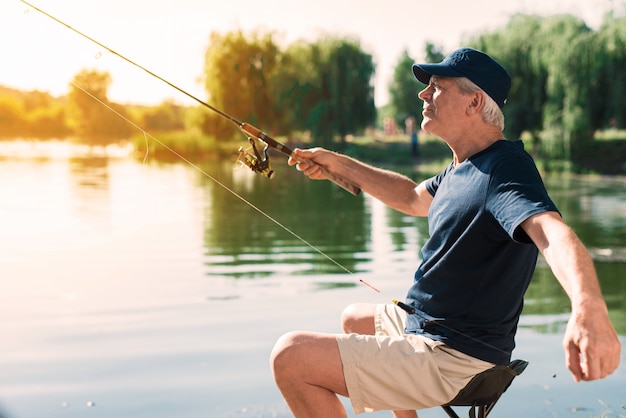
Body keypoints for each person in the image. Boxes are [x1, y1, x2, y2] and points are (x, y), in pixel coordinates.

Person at [270, 47, 621, 418]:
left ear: (474, 103)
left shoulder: (504, 170)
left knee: (291, 356)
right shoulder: (463, 166)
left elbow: (552, 232)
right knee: (355, 318)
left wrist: (588, 308)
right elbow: (409, 197)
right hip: (431, 330)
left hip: (454, 356)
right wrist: (336, 163)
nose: (423, 94)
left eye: (437, 87)